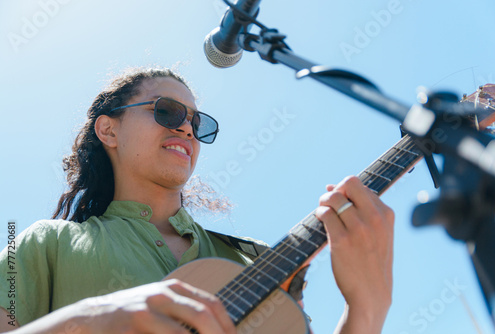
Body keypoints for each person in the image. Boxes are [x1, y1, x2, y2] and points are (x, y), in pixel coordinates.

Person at [0, 67, 394, 334]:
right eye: (168, 112)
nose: (187, 126)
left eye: (197, 121)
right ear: (109, 130)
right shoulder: (37, 243)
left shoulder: (254, 261)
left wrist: (366, 309)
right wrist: (93, 317)